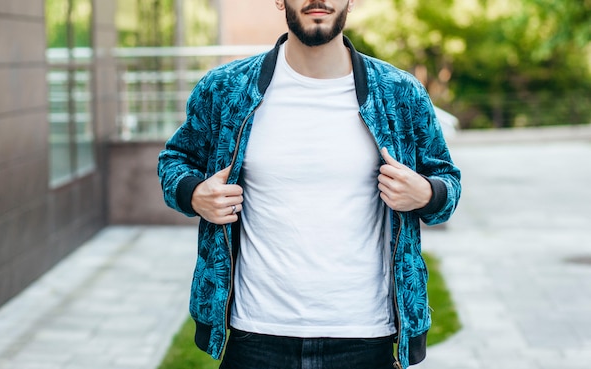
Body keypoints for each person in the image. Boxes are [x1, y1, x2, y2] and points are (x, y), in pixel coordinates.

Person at [158, 0, 461, 368]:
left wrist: (426, 193)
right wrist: (194, 194)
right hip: (256, 335)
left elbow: (448, 182)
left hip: (366, 336)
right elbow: (175, 160)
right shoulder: (226, 89)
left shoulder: (399, 93)